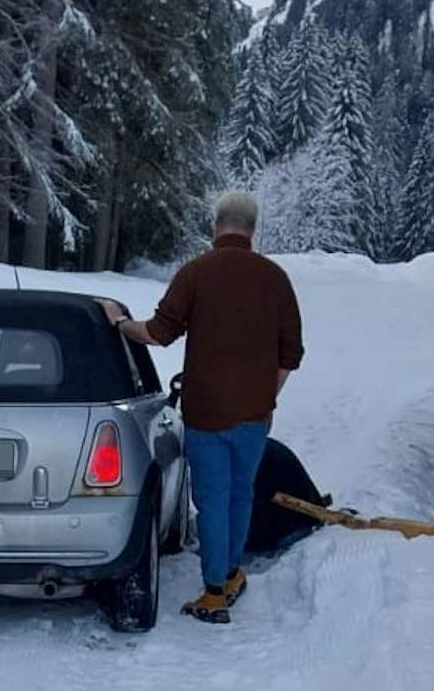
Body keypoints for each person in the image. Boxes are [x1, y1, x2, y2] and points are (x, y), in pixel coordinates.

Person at [98, 190, 303, 624]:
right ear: (253, 228)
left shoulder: (196, 273)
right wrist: (267, 395)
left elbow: (156, 333)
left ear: (216, 225)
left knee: (212, 500)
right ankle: (229, 574)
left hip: (207, 412)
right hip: (255, 416)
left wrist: (119, 322)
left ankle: (214, 593)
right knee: (239, 495)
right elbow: (290, 353)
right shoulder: (275, 279)